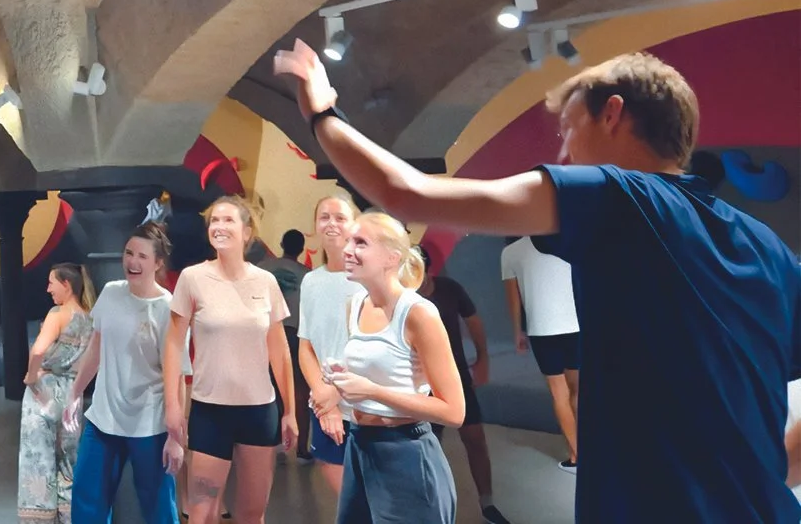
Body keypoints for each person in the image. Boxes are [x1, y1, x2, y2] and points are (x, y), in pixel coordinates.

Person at [274, 41, 801, 523]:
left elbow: (407, 193)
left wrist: (321, 113)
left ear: (612, 113)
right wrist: (762, 479)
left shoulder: (617, 195)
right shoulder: (767, 247)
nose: (566, 152)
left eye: (570, 129)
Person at [164, 195, 296, 524]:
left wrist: (290, 411)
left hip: (259, 411)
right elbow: (172, 344)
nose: (219, 227)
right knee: (202, 512)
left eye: (228, 220)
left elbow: (279, 351)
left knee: (252, 514)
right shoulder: (192, 278)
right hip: (210, 410)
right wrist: (173, 406)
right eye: (214, 221)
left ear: (247, 231)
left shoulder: (265, 282)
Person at [325, 212, 464, 523]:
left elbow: (454, 411)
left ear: (392, 257)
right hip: (359, 446)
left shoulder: (418, 313)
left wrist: (373, 391)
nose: (347, 249)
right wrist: (337, 387)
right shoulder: (356, 305)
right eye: (349, 241)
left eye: (360, 242)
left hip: (405, 453)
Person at [65, 223, 181, 524]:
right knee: (87, 501)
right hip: (103, 419)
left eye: (142, 256)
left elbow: (176, 376)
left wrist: (176, 436)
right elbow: (96, 347)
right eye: (129, 253)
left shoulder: (168, 308)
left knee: (157, 506)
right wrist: (75, 392)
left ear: (157, 263)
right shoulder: (110, 293)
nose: (133, 261)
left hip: (149, 423)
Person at [418, 245, 507, 523]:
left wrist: (482, 359)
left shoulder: (449, 289)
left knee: (475, 439)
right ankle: (430, 508)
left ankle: (488, 504)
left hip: (456, 378)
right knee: (427, 447)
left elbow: (474, 322)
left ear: (427, 268)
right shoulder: (402, 298)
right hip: (421, 385)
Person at [296, 191, 362, 497]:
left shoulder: (369, 279)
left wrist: (336, 394)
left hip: (367, 406)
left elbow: (379, 347)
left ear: (355, 225)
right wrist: (324, 398)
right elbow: (306, 346)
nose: (331, 224)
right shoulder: (312, 281)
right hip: (325, 405)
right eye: (325, 217)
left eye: (340, 217)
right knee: (348, 502)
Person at [18, 263, 95, 523]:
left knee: (38, 462)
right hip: (73, 395)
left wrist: (31, 377)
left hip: (45, 392)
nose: (48, 288)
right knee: (69, 465)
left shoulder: (58, 313)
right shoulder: (89, 317)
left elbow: (38, 350)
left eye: (52, 282)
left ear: (67, 284)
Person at [500, 234, 580, 471]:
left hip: (541, 329)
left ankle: (577, 457)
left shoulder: (511, 252)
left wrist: (518, 332)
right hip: (576, 325)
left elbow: (514, 299)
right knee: (579, 393)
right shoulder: (569, 241)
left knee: (559, 395)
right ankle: (593, 450)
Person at [252, 227, 311, 462]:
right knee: (298, 392)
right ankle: (302, 449)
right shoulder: (307, 275)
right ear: (302, 249)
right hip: (295, 334)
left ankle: (270, 442)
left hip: (264, 333)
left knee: (266, 391)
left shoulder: (263, 269)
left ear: (281, 244)